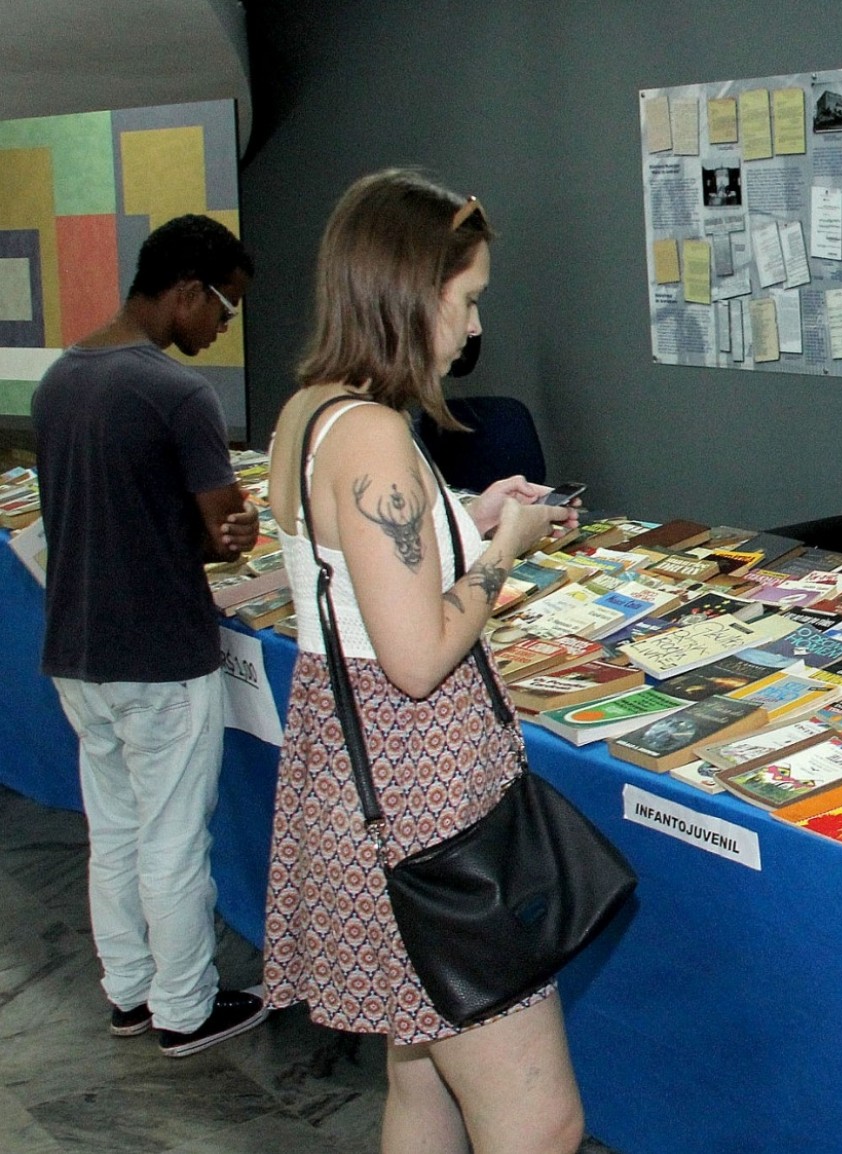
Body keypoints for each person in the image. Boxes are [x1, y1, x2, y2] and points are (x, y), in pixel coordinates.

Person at [262, 170, 583, 1154]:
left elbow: (362, 577)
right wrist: (505, 547)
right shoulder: (372, 440)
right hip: (423, 807)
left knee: (425, 1079)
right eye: (468, 298)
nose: (472, 327)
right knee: (540, 1117)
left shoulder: (314, 409)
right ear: (412, 289)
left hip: (369, 791)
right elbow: (416, 655)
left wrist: (466, 513)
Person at [31, 215, 270, 1058]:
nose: (222, 328)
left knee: (117, 831)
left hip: (76, 651)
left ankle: (129, 992)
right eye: (224, 309)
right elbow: (218, 528)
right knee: (174, 837)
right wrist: (230, 536)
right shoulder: (179, 394)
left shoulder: (61, 378)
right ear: (185, 293)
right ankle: (186, 1009)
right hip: (163, 655)